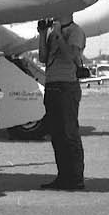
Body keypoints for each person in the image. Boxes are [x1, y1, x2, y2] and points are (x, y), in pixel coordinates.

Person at [37, 12, 87, 189]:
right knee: (57, 134)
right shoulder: (52, 33)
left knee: (69, 133)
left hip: (67, 86)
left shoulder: (75, 32)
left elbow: (70, 56)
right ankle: (63, 176)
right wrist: (43, 35)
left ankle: (76, 178)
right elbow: (43, 58)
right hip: (52, 85)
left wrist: (58, 34)